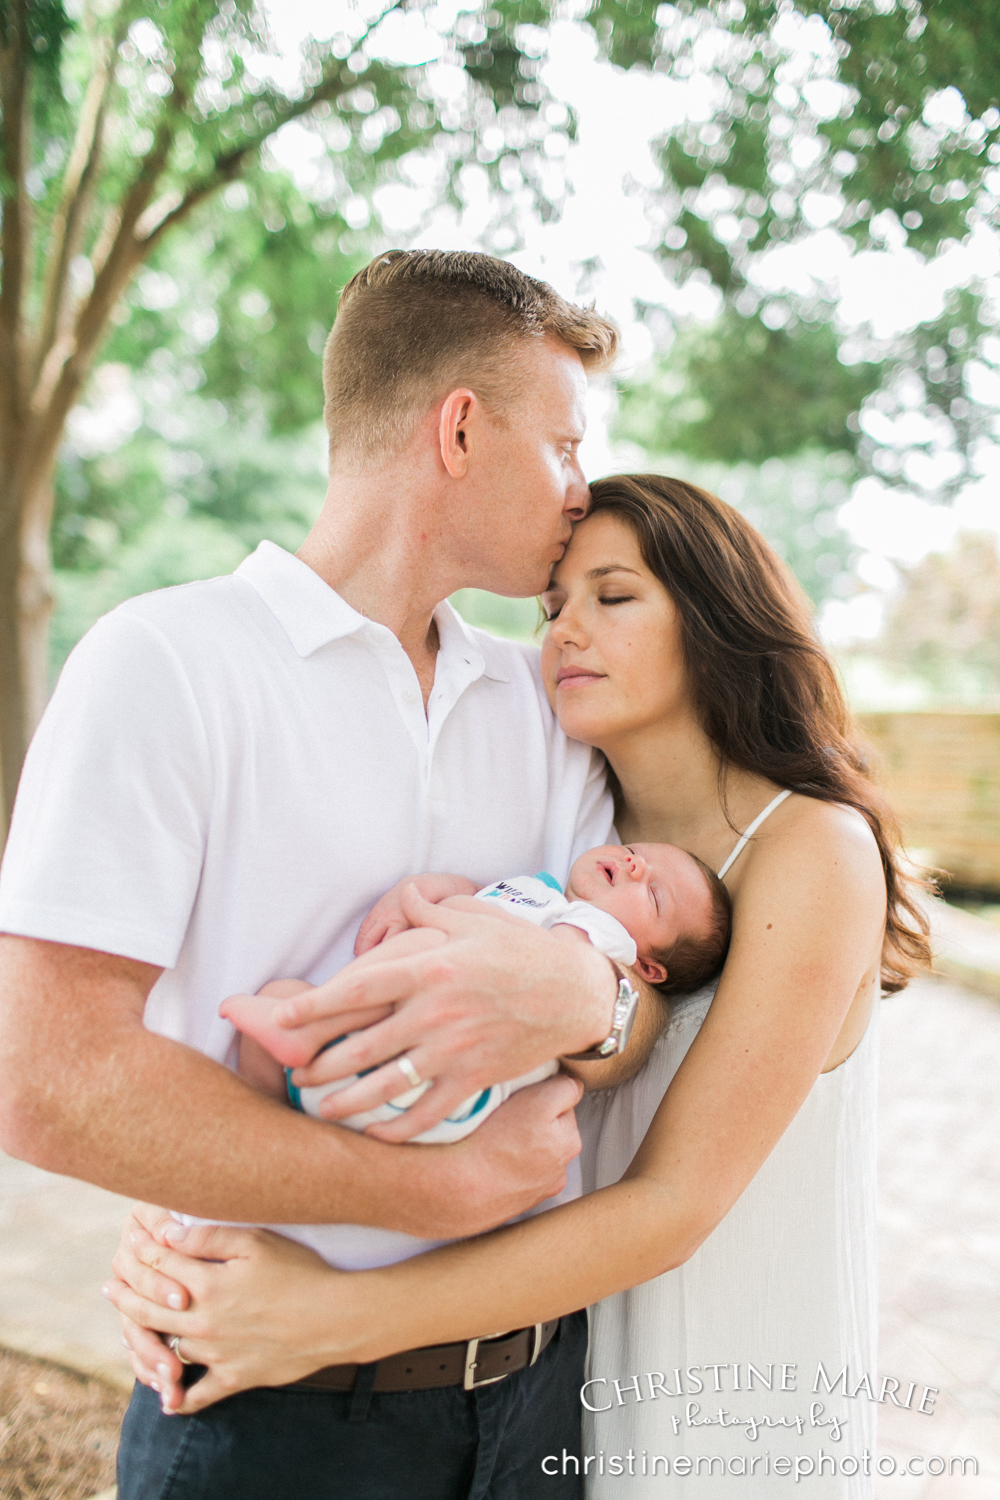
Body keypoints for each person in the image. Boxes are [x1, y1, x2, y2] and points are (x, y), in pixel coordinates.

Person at [0, 251, 676, 1500]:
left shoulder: (536, 706)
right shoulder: (163, 663)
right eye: (566, 448)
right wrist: (444, 1189)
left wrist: (592, 1000)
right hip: (272, 1421)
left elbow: (621, 1014)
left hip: (539, 1405)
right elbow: (48, 1082)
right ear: (459, 428)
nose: (582, 492)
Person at [107, 475, 930, 1499]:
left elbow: (674, 1205)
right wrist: (180, 1218)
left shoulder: (812, 847)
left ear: (720, 620)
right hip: (578, 1375)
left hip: (726, 1362)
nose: (565, 631)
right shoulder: (590, 843)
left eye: (613, 597)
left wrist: (324, 1319)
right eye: (551, 607)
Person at [224, 839, 731, 1157]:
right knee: (279, 998)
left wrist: (443, 912)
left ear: (647, 967)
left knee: (435, 947)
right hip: (386, 1045)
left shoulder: (600, 940)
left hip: (448, 1075)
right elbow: (471, 889)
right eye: (636, 852)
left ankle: (303, 1031)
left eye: (655, 895)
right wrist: (423, 889)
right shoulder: (539, 891)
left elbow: (553, 970)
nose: (634, 865)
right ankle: (281, 1077)